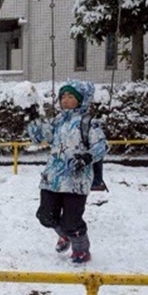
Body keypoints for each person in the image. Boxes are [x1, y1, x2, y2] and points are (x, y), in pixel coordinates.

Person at [26, 80, 108, 264]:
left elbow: (101, 146)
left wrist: (86, 158)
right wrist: (32, 117)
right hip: (53, 178)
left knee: (72, 221)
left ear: (81, 100)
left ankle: (81, 250)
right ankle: (65, 236)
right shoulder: (58, 121)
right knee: (46, 216)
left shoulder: (89, 123)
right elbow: (40, 138)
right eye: (63, 96)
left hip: (75, 180)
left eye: (71, 96)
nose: (65, 100)